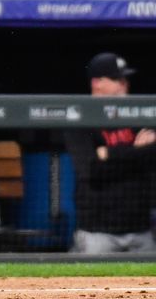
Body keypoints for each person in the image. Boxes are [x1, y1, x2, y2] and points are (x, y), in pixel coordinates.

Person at [65, 52, 156, 254]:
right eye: (117, 79)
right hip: (98, 232)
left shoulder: (138, 113)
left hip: (141, 229)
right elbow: (91, 170)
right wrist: (137, 151)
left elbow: (153, 155)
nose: (124, 84)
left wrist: (109, 154)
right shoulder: (79, 117)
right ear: (97, 83)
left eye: (125, 79)